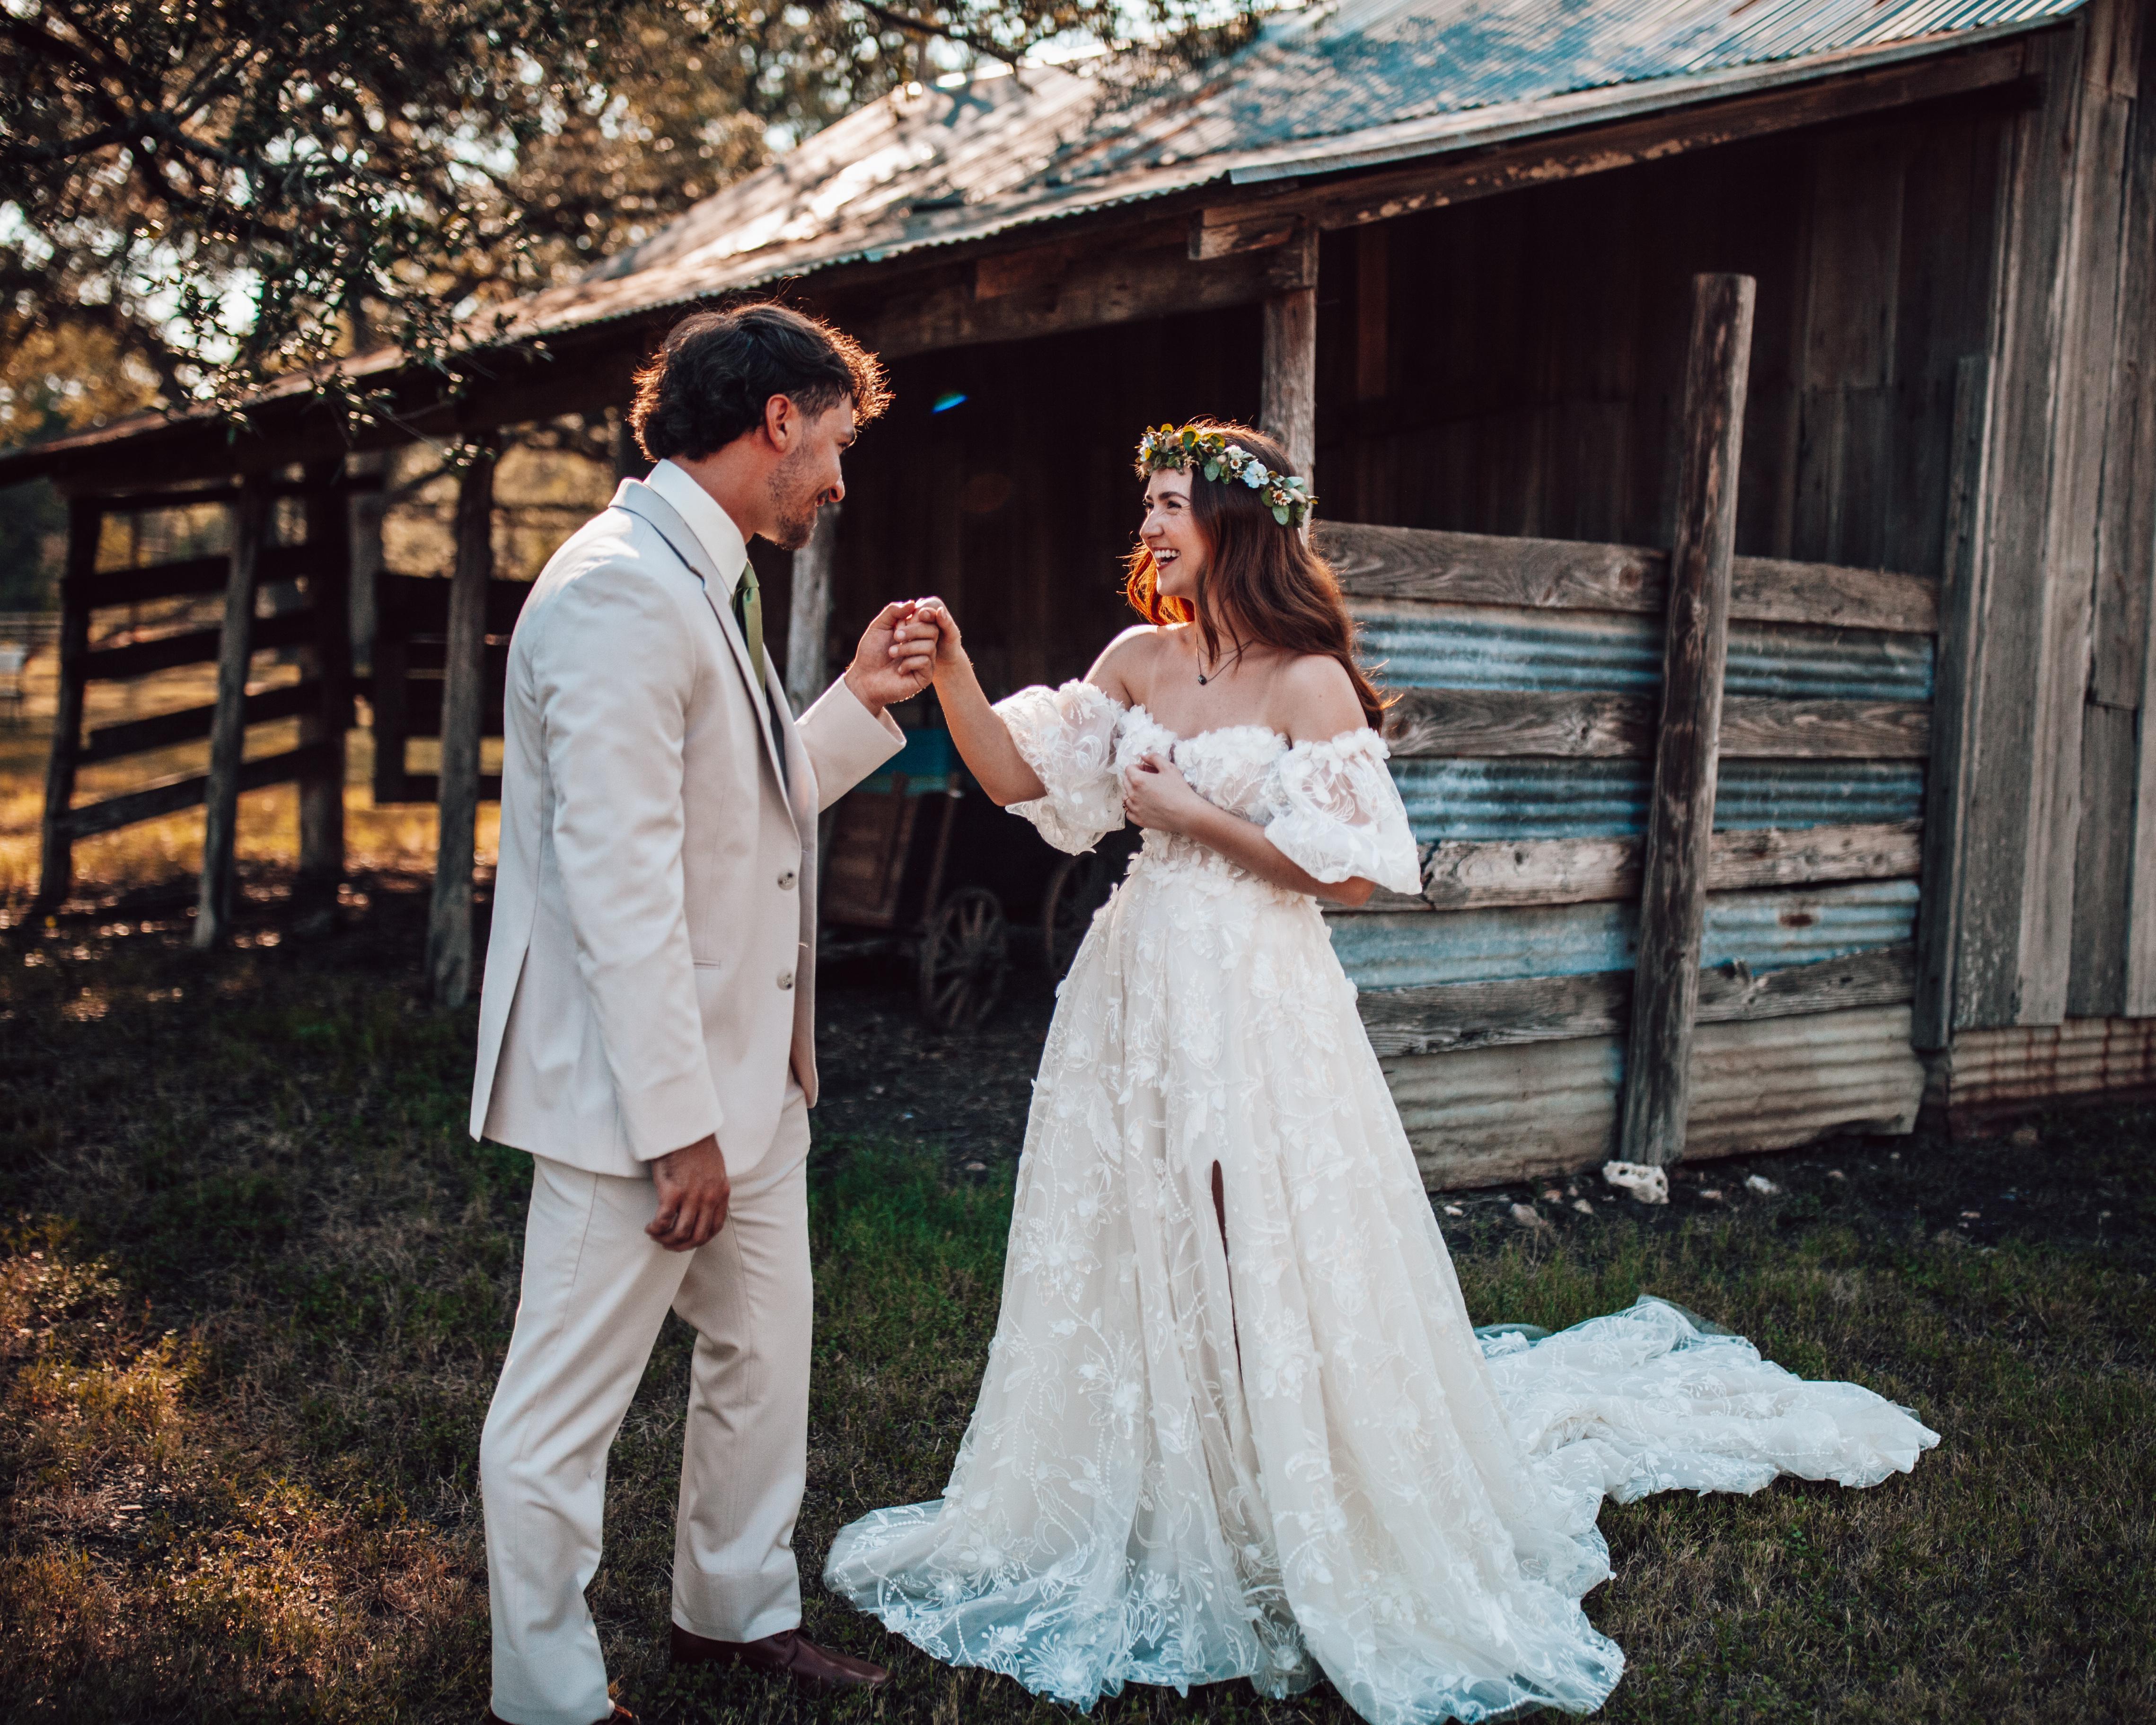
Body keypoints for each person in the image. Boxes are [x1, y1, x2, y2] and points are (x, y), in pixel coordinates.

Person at [825, 421, 1939, 1724]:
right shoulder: (1136, 658)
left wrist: (1194, 815)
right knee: (1139, 1223)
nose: (1151, 527)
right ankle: (1171, 1487)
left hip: (1255, 987)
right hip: (1138, 980)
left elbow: (1349, 875)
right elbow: (1024, 779)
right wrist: (958, 672)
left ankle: (1285, 1504)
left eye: (1173, 504)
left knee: (1250, 1233)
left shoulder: (1310, 684)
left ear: (1239, 524)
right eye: (1150, 506)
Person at [470, 304, 929, 1725]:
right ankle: (548, 1696)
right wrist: (678, 1128)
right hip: (644, 1101)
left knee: (763, 1356)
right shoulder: (618, 590)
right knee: (558, 1415)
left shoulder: (699, 573)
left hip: (755, 1084)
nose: (839, 481)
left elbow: (739, 808)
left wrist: (854, 699)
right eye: (835, 444)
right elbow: (620, 889)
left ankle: (732, 1617)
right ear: (777, 419)